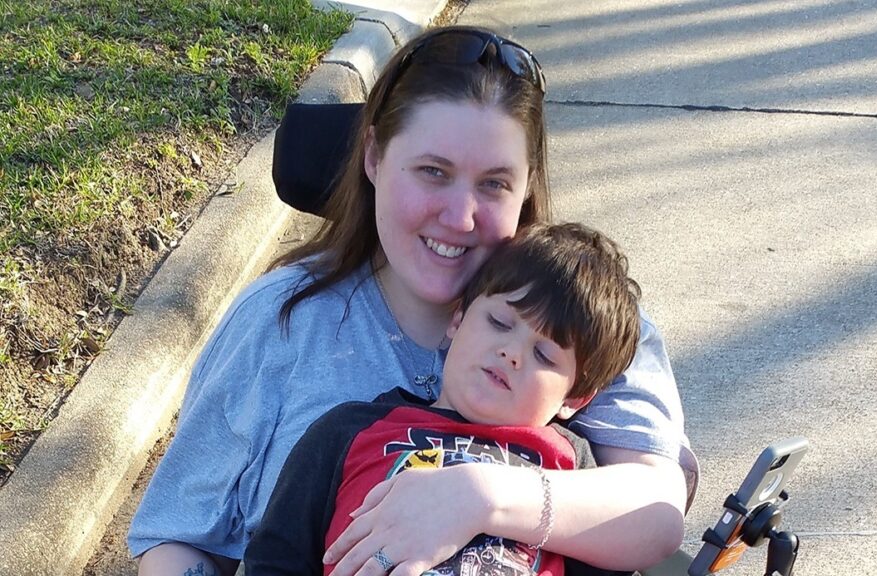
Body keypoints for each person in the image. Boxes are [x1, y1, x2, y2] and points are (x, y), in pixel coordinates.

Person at [128, 25, 698, 576]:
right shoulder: (281, 320)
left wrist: (482, 495)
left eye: (495, 183)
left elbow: (654, 508)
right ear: (373, 156)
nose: (460, 216)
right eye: (433, 171)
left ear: (527, 186)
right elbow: (183, 537)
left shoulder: (582, 323)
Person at [244, 222, 642, 576]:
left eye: (544, 355)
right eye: (499, 323)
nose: (512, 353)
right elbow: (278, 557)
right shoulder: (349, 429)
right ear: (458, 318)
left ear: (575, 397)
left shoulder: (570, 465)